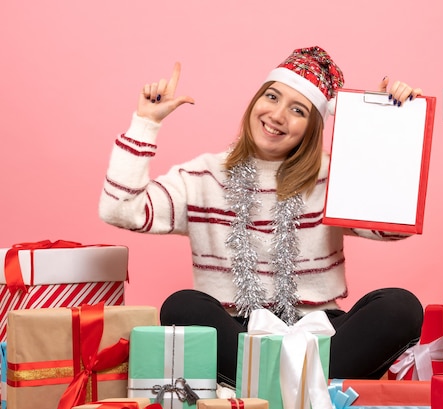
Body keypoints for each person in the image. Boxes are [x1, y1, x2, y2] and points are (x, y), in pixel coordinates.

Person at [99, 46, 424, 387]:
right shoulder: (203, 176)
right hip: (236, 334)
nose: (278, 115)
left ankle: (268, 389)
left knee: (401, 307)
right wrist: (145, 124)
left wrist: (387, 124)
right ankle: (304, 389)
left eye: (298, 109)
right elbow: (121, 209)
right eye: (272, 96)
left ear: (313, 127)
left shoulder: (333, 176)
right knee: (182, 306)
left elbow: (394, 228)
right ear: (255, 101)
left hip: (322, 334)